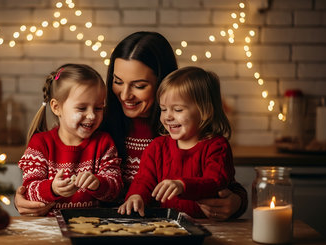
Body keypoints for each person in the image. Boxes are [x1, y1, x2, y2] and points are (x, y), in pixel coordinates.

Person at [15, 32, 247, 220]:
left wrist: (235, 202)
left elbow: (221, 180)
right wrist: (27, 198)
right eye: (118, 82)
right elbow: (40, 181)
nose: (125, 95)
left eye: (139, 85)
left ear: (163, 83)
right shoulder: (96, 126)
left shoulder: (182, 131)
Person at [118, 66, 236, 218]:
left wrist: (182, 185)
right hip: (166, 227)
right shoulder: (157, 147)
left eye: (178, 110)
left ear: (205, 111)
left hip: (206, 225)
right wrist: (136, 196)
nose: (167, 117)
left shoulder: (217, 146)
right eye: (163, 109)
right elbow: (144, 180)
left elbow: (215, 182)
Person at [17, 64, 123, 216]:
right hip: (49, 228)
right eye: (81, 108)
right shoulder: (40, 144)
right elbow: (29, 192)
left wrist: (98, 184)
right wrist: (52, 188)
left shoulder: (104, 143)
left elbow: (115, 190)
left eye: (98, 108)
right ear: (56, 107)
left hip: (90, 229)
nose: (92, 116)